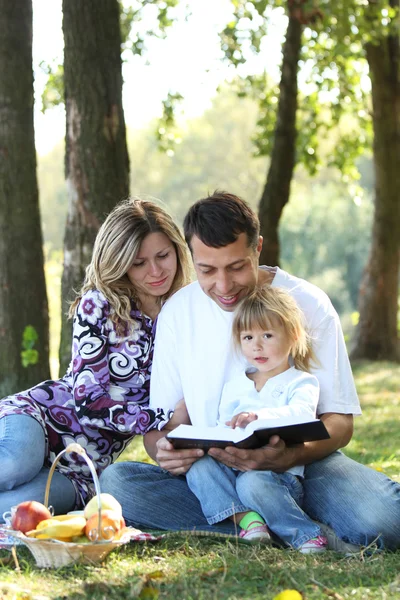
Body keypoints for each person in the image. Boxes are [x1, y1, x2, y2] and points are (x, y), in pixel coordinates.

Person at [100, 191, 400, 551]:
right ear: (192, 258)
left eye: (237, 266)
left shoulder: (308, 303)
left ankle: (264, 523)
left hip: (301, 466)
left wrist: (289, 456)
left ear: (258, 247)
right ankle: (286, 528)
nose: (224, 286)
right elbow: (161, 428)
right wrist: (164, 450)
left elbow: (340, 422)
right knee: (118, 483)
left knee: (386, 521)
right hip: (215, 470)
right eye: (208, 270)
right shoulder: (178, 312)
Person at [0, 197, 191, 518]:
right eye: (139, 262)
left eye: (162, 256)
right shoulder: (99, 305)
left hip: (82, 472)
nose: (155, 271)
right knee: (15, 464)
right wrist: (161, 417)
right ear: (118, 262)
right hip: (39, 421)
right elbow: (89, 404)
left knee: (15, 510)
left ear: (177, 251)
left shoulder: (186, 313)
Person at [185, 285, 328, 552]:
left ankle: (306, 534)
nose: (257, 346)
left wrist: (257, 418)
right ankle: (249, 521)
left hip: (277, 477)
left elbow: (301, 415)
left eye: (267, 335)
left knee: (252, 482)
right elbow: (224, 425)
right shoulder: (235, 384)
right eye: (248, 337)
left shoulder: (301, 381)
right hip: (232, 468)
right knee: (199, 467)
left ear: (293, 336)